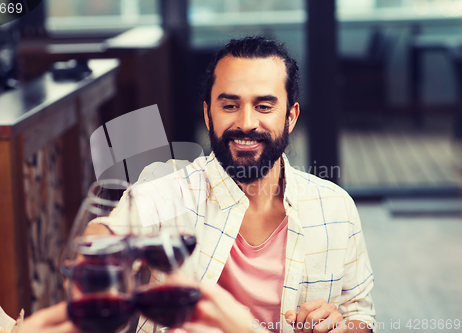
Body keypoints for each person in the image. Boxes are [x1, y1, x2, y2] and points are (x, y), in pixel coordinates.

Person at [97, 36, 376, 333]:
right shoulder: (174, 190)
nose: (246, 123)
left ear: (290, 117)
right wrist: (96, 249)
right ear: (208, 115)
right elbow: (110, 229)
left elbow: (361, 316)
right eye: (230, 105)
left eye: (264, 107)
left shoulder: (336, 207)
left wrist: (341, 329)